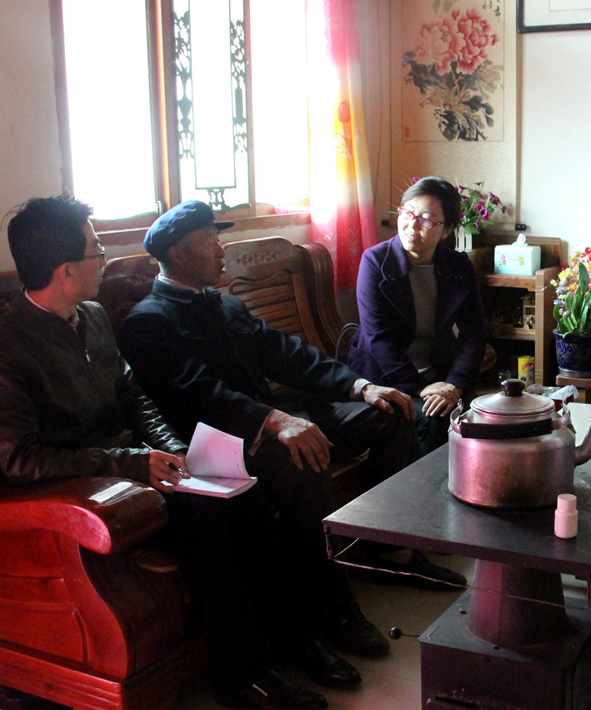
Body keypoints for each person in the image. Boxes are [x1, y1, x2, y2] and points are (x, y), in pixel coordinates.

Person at [0, 195, 332, 710]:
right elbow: (22, 460)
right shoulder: (4, 352)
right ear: (66, 271)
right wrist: (134, 463)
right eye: (97, 251)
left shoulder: (92, 316)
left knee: (244, 491)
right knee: (205, 516)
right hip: (89, 486)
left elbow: (134, 398)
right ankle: (243, 676)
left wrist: (176, 450)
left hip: (136, 464)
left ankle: (293, 639)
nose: (104, 260)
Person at [118, 200, 466, 592]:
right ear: (178, 254)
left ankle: (393, 551)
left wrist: (361, 387)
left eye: (218, 238)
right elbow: (200, 395)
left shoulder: (225, 304)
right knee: (302, 457)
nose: (221, 249)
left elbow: (287, 354)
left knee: (391, 412)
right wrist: (275, 421)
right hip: (224, 441)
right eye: (209, 240)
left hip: (275, 417)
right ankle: (329, 601)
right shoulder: (148, 322)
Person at [346, 176, 487, 454]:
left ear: (446, 230)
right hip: (385, 376)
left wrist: (454, 385)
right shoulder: (375, 262)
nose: (412, 225)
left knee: (475, 413)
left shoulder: (458, 266)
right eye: (407, 213)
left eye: (426, 220)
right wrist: (421, 389)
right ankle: (419, 482)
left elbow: (474, 334)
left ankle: (464, 478)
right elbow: (378, 339)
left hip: (438, 372)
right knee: (434, 421)